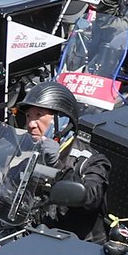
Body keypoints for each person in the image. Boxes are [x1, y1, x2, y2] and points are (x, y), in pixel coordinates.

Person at [11, 78, 109, 238]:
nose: (31, 124)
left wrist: (58, 167)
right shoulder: (31, 151)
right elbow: (10, 185)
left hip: (76, 244)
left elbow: (92, 199)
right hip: (36, 234)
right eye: (29, 116)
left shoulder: (89, 160)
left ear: (62, 122)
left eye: (39, 115)